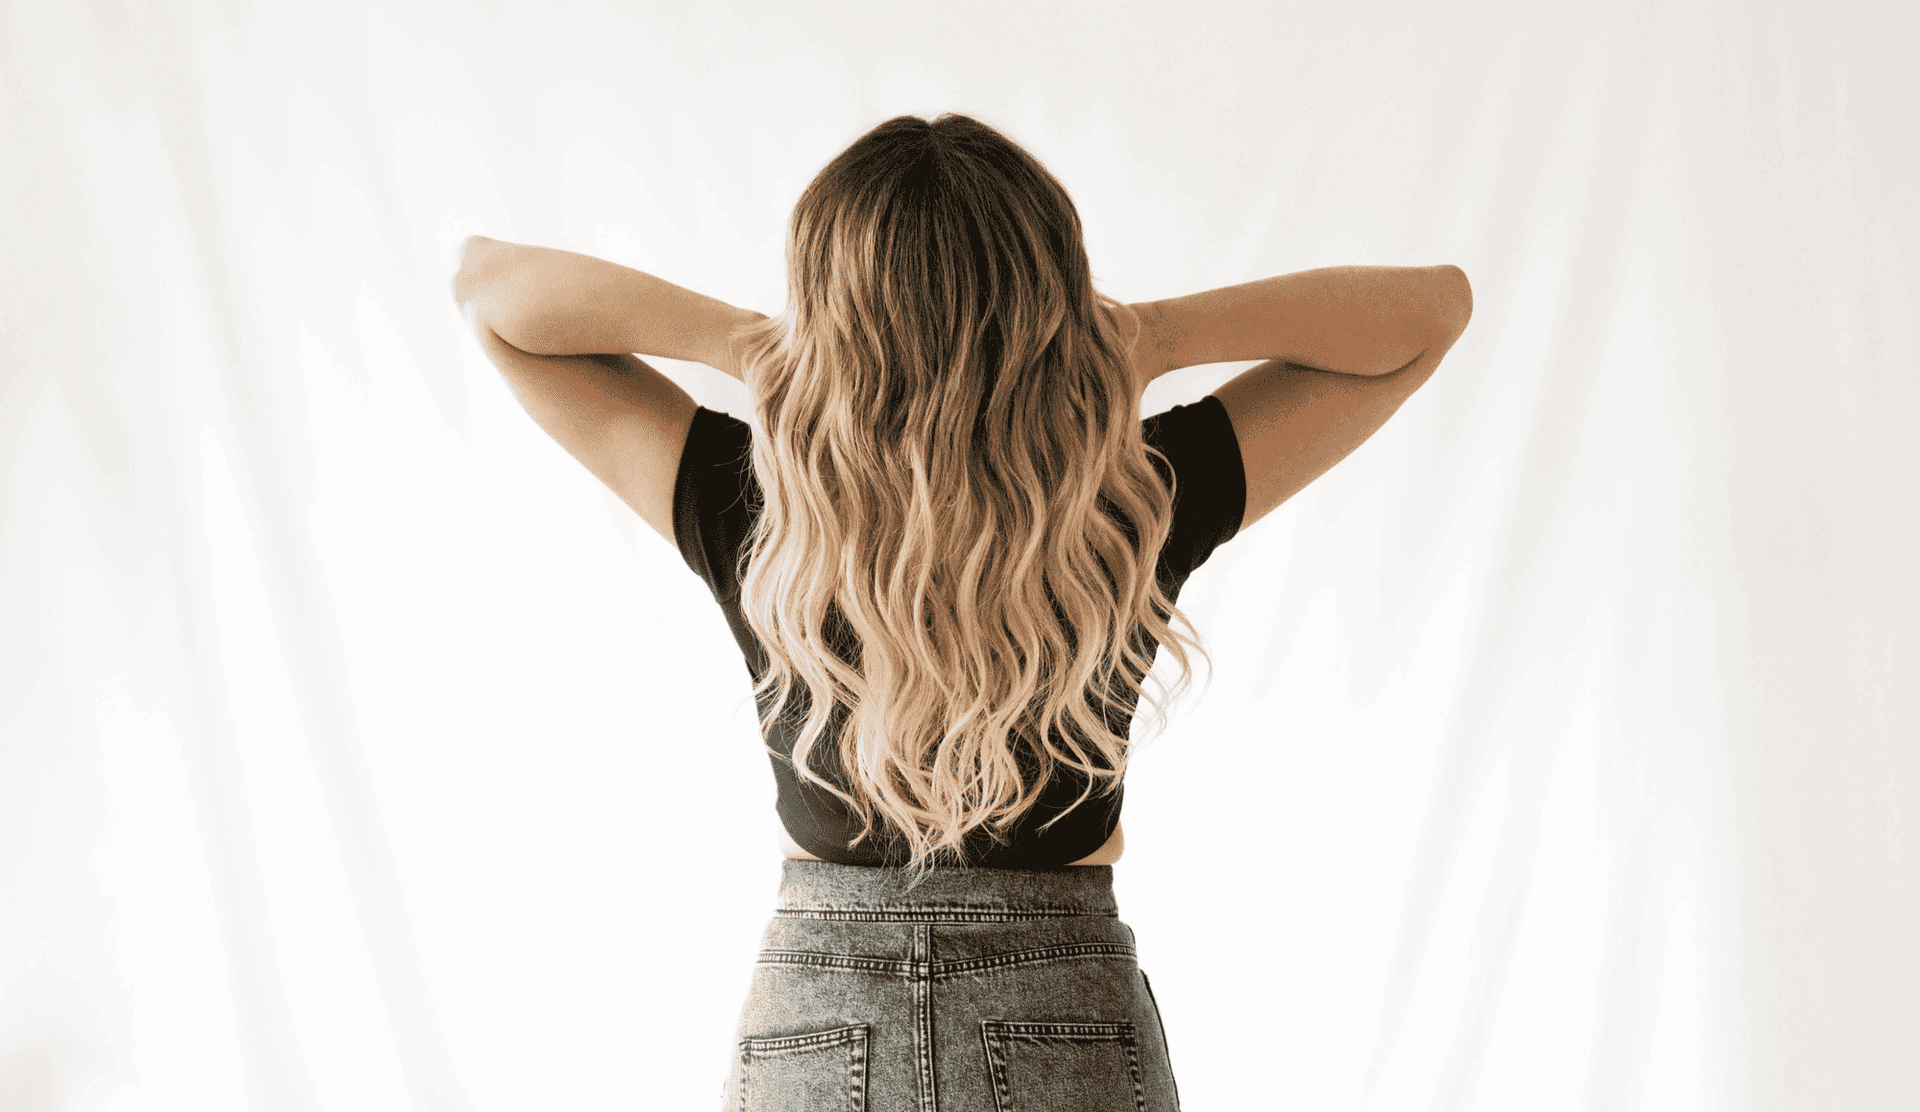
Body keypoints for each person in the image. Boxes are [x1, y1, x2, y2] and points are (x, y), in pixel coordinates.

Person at [453, 114, 1471, 1111]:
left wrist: (754, 345)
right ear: (1054, 296)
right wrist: (1157, 336)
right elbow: (1431, 314)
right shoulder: (1131, 499)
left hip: (820, 1010)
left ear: (826, 303)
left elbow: (491, 292)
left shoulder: (760, 504)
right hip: (1062, 996)